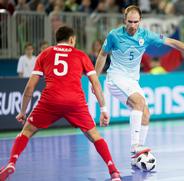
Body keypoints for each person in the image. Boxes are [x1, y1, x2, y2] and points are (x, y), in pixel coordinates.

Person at [94, 5, 184, 165]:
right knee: (139, 102)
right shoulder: (114, 35)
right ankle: (135, 146)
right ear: (124, 20)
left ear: (140, 21)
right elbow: (102, 55)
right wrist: (94, 79)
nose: (132, 25)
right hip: (115, 77)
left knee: (146, 114)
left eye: (136, 22)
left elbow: (171, 42)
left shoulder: (146, 35)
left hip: (131, 80)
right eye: (129, 21)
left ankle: (137, 156)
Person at [0, 26, 121, 181]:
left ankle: (11, 162)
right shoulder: (81, 55)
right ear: (72, 40)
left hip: (50, 100)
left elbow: (30, 87)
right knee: (94, 136)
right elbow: (96, 84)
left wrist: (22, 112)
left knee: (26, 132)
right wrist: (104, 109)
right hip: (75, 102)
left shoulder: (45, 54)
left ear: (57, 39)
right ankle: (113, 171)